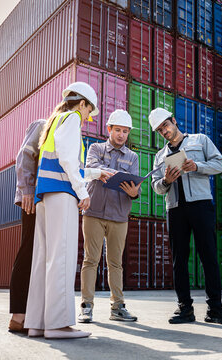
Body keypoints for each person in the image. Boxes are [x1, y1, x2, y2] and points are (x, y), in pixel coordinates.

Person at [25, 82, 113, 339]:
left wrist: (97, 173)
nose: (88, 117)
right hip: (63, 196)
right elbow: (67, 159)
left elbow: (64, 163)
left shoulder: (55, 121)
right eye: (89, 110)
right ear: (82, 103)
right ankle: (58, 324)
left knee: (44, 259)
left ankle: (38, 323)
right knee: (61, 258)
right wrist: (83, 193)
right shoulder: (72, 118)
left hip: (46, 196)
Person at [149, 108, 222, 325]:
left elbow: (219, 164)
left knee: (208, 256)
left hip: (201, 204)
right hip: (175, 209)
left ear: (174, 121)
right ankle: (184, 309)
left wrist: (197, 166)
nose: (164, 131)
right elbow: (157, 188)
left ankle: (215, 308)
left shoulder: (200, 140)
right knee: (179, 261)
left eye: (165, 125)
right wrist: (166, 180)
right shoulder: (160, 157)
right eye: (160, 130)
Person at [78, 110, 140, 323]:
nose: (122, 135)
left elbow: (135, 187)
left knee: (116, 263)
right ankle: (86, 306)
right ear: (109, 130)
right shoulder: (95, 148)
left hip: (119, 215)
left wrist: (135, 193)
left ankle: (118, 307)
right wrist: (106, 172)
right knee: (90, 260)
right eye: (118, 130)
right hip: (94, 212)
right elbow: (91, 168)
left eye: (125, 131)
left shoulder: (133, 157)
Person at [8, 118, 46, 333]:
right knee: (29, 252)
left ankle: (32, 314)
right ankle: (18, 315)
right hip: (33, 198)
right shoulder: (42, 124)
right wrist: (27, 191)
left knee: (40, 256)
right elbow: (24, 155)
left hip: (47, 199)